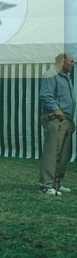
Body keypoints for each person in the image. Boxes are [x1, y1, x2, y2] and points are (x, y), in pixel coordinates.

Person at [38, 52, 76, 196]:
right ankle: (45, 185)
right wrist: (56, 109)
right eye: (71, 62)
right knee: (52, 152)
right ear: (62, 61)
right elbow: (45, 95)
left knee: (64, 153)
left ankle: (56, 183)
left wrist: (71, 119)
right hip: (54, 118)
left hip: (66, 119)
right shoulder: (50, 74)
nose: (73, 64)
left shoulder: (66, 76)